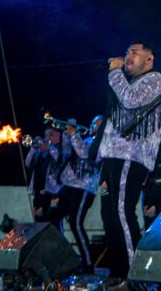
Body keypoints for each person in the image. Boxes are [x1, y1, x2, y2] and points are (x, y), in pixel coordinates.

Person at [98, 41, 161, 279]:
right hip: (112, 157)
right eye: (127, 51)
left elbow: (130, 100)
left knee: (122, 212)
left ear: (149, 60)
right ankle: (118, 273)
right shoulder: (127, 81)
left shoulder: (155, 80)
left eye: (135, 53)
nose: (128, 55)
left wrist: (115, 72)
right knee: (109, 216)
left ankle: (135, 276)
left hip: (131, 155)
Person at [47, 116, 102, 273]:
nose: (91, 125)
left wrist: (74, 135)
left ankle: (88, 264)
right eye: (92, 123)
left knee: (76, 224)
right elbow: (66, 152)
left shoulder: (101, 142)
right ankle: (60, 258)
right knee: (51, 219)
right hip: (69, 187)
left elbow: (85, 155)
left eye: (95, 124)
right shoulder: (85, 139)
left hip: (84, 188)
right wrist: (68, 133)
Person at [25, 126, 64, 223]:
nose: (47, 138)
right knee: (38, 221)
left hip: (51, 193)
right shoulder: (39, 151)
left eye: (50, 135)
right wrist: (33, 149)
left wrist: (49, 147)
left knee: (53, 222)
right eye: (45, 135)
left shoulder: (59, 148)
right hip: (38, 192)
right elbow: (27, 163)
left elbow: (59, 158)